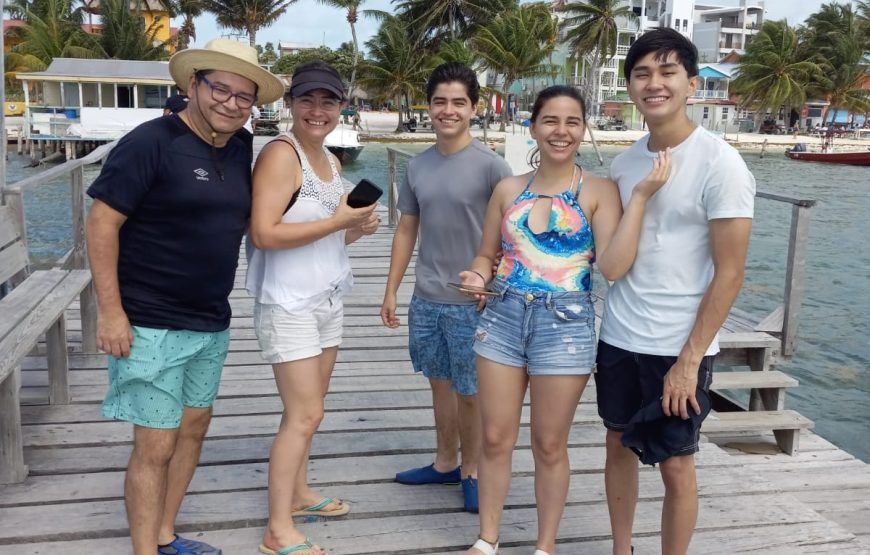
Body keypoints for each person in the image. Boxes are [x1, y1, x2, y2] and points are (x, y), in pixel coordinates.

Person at [85, 39, 284, 555]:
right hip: (149, 321)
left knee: (193, 430)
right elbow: (101, 224)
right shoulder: (150, 143)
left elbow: (259, 219)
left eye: (245, 97)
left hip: (211, 319)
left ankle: (166, 534)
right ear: (192, 85)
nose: (232, 104)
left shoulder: (240, 147)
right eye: (221, 88)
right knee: (155, 444)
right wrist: (111, 312)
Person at [459, 86, 671, 555]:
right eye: (550, 120)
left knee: (549, 443)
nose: (561, 131)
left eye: (572, 121)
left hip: (566, 325)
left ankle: (545, 546)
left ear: (583, 128)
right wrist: (476, 274)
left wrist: (638, 198)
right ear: (533, 126)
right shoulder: (507, 188)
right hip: (502, 317)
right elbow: (486, 253)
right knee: (494, 437)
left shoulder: (598, 191)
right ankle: (487, 539)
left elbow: (613, 267)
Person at [595, 28, 755, 555]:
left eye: (667, 72)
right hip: (620, 333)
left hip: (678, 345)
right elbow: (617, 254)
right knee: (617, 445)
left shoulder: (720, 163)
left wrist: (690, 360)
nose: (654, 84)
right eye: (642, 73)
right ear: (630, 87)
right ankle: (623, 549)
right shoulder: (625, 163)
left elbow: (730, 273)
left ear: (691, 83)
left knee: (677, 463)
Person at [246, 60, 379, 555]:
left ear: (342, 107)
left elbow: (327, 233)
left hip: (325, 296)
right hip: (288, 303)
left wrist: (354, 228)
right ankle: (277, 529)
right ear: (290, 105)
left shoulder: (329, 160)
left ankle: (299, 493)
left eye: (329, 101)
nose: (317, 110)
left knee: (310, 413)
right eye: (307, 100)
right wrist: (336, 222)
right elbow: (263, 233)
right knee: (303, 415)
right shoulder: (281, 156)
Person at [380, 62, 513, 513]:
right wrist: (391, 288)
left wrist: (491, 281)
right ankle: (445, 462)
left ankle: (472, 469)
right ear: (429, 106)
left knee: (471, 393)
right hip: (427, 298)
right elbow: (406, 230)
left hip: (473, 304)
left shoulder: (494, 167)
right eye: (440, 101)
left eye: (459, 102)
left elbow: (512, 238)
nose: (448, 110)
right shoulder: (417, 166)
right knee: (439, 386)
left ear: (474, 108)